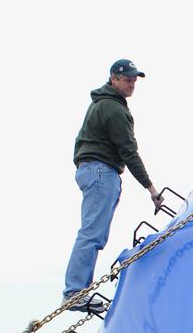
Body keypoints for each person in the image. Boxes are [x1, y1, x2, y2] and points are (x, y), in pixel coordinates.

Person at [62, 58, 163, 312]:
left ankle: (78, 291)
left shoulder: (102, 103)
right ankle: (74, 292)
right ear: (113, 78)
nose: (132, 85)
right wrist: (151, 188)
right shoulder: (113, 109)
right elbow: (129, 152)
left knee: (95, 234)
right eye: (127, 80)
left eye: (134, 80)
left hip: (94, 170)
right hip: (101, 171)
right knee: (92, 233)